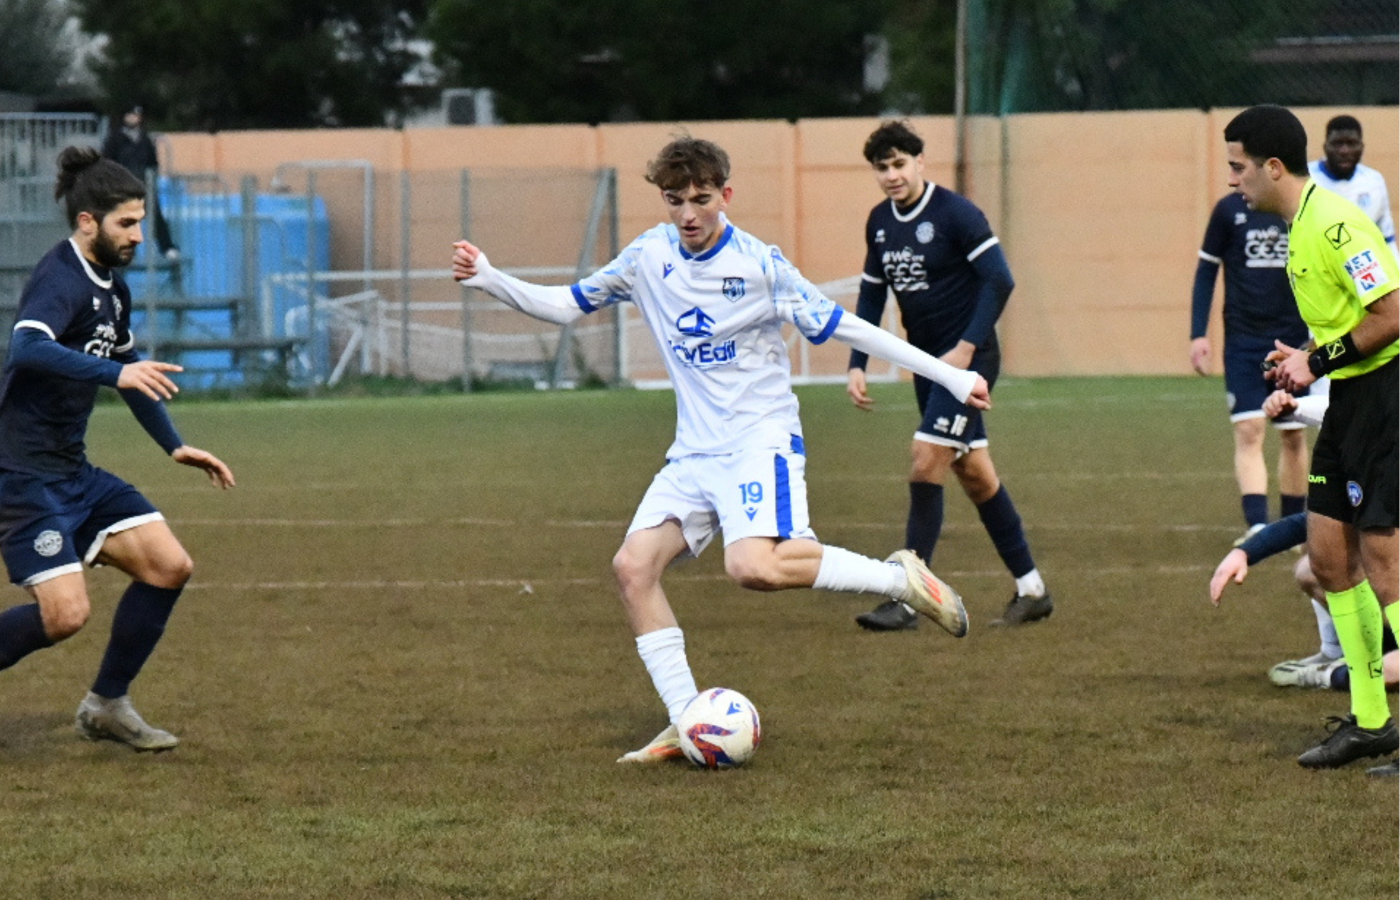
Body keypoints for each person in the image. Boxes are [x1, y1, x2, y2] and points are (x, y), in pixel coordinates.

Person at [452, 135, 990, 764]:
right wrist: (489, 278)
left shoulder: (760, 266)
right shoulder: (648, 256)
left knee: (752, 567)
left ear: (725, 195)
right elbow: (566, 306)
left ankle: (900, 579)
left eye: (701, 199)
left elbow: (847, 325)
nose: (688, 214)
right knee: (633, 569)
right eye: (674, 200)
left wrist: (950, 376)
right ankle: (686, 719)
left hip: (759, 440)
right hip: (694, 452)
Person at [0, 146, 234, 752]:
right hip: (22, 477)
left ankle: (106, 705)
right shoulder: (59, 277)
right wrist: (115, 373)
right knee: (64, 616)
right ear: (87, 222)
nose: (138, 235)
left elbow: (131, 371)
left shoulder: (114, 289)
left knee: (168, 565)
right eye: (126, 223)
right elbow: (27, 347)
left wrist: (174, 446)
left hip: (72, 472)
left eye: (140, 222)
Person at [1225, 104, 1399, 770]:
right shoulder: (1298, 226)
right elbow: (1346, 322)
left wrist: (1315, 362)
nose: (1234, 181)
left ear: (1273, 167)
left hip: (1386, 398)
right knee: (1328, 558)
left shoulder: (1334, 223)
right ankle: (1372, 721)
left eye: (1239, 167)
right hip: (1349, 400)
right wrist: (1301, 358)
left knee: (1386, 565)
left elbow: (1392, 314)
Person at [844, 120, 1050, 632]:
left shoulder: (956, 213)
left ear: (920, 161)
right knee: (976, 475)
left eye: (899, 164)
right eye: (882, 168)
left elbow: (1000, 279)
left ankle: (908, 597)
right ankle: (1033, 590)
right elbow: (872, 293)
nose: (892, 175)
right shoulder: (879, 222)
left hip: (968, 363)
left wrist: (966, 347)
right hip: (927, 365)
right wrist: (857, 363)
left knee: (924, 460)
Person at [1189, 192, 1310, 545]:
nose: (1236, 176)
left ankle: (1293, 527)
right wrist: (1198, 333)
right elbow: (1206, 270)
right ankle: (1257, 526)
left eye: (1240, 168)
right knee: (1249, 429)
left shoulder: (1297, 206)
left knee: (1292, 433)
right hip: (1244, 342)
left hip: (1292, 342)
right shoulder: (1228, 211)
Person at [1306, 115, 1397, 260]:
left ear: (1362, 147)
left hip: (1362, 267)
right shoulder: (1306, 179)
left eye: (1351, 143)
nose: (1344, 151)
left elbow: (1387, 239)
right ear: (1325, 147)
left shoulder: (1374, 181)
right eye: (1337, 143)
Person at [100, 105, 179, 260]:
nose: (134, 118)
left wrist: (152, 178)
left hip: (144, 184)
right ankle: (122, 249)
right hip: (122, 187)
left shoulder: (144, 138)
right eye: (131, 115)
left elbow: (152, 162)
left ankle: (167, 247)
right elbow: (107, 162)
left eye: (136, 115)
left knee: (155, 216)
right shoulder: (115, 138)